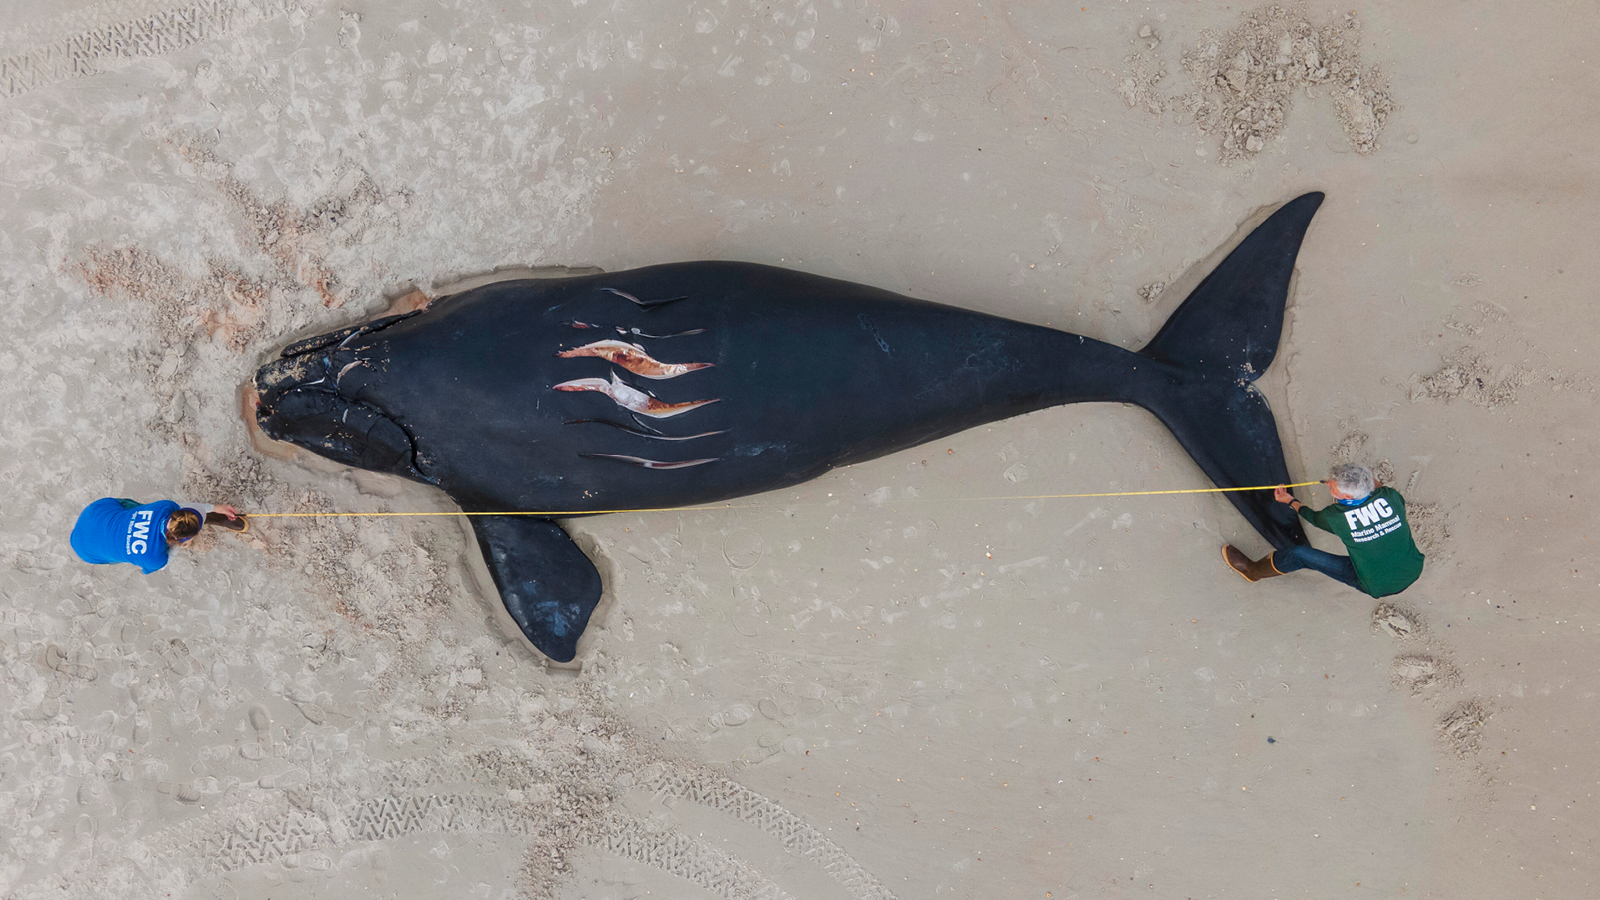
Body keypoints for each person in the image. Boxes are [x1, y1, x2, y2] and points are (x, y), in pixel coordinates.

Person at [1223, 463, 1424, 597]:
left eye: (1333, 488)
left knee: (1299, 554)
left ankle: (1252, 572)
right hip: (1412, 567)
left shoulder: (1334, 516)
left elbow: (1311, 516)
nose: (1328, 485)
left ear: (1347, 497)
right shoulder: (1391, 496)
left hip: (1376, 584)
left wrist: (1290, 500)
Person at [70, 498, 249, 574]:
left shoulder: (164, 506)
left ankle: (213, 518)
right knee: (120, 553)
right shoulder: (154, 560)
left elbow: (188, 506)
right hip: (87, 550)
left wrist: (216, 508)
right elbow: (162, 564)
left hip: (96, 512)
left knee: (133, 514)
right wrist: (178, 546)